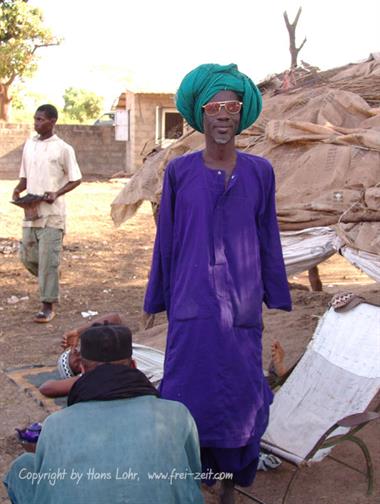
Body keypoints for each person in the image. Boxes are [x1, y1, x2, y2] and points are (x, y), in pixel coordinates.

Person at [144, 63, 292, 503]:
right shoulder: (180, 171)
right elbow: (167, 239)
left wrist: (273, 292)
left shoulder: (261, 171)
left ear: (242, 112)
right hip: (193, 304)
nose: (224, 114)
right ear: (201, 114)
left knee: (240, 395)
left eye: (232, 105)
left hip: (242, 305)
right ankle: (192, 473)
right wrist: (158, 296)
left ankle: (228, 482)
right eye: (215, 106)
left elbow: (268, 234)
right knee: (189, 389)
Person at [4, 324, 204, 504]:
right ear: (133, 365)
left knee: (22, 468)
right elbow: (193, 476)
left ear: (82, 370)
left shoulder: (56, 425)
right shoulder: (177, 414)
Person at [12, 104, 82, 323]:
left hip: (53, 215)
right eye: (35, 119)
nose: (36, 123)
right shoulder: (29, 145)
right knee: (27, 257)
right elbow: (25, 175)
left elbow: (76, 178)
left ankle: (47, 305)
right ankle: (49, 279)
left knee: (47, 261)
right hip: (31, 211)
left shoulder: (63, 148)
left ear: (52, 122)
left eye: (41, 119)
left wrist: (57, 193)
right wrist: (18, 188)